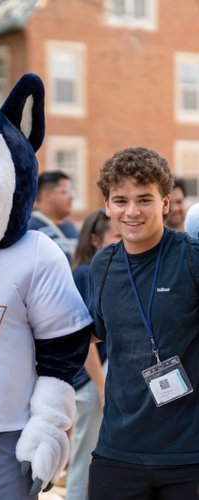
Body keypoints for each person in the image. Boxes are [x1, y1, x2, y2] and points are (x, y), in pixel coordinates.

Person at [87, 146, 199, 499]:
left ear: (166, 203)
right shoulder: (102, 264)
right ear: (107, 206)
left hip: (188, 455)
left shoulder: (192, 258)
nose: (132, 211)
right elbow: (95, 337)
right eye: (120, 200)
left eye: (144, 199)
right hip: (118, 450)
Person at [66, 209, 121, 500]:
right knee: (84, 458)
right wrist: (100, 388)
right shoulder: (87, 273)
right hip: (91, 379)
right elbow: (83, 339)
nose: (122, 243)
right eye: (116, 237)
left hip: (95, 380)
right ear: (96, 240)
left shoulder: (99, 271)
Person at [29, 170, 78, 261]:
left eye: (71, 191)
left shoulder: (71, 227)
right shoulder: (30, 227)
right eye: (64, 192)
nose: (71, 197)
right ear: (46, 195)